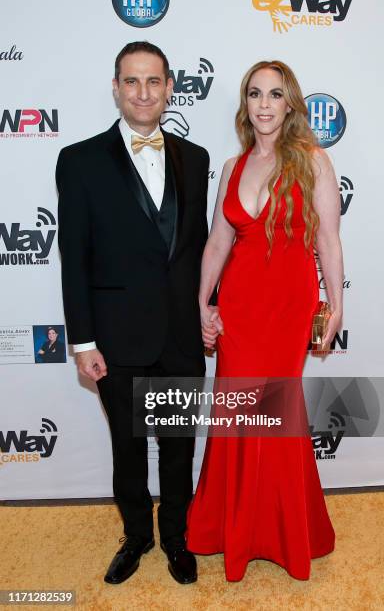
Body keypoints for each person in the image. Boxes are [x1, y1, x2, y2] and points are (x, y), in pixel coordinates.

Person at [56, 41, 210, 585]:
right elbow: (72, 258)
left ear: (171, 87)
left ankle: (175, 537)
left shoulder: (196, 158)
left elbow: (199, 249)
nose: (143, 92)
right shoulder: (78, 160)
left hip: (179, 336)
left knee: (176, 451)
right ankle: (137, 537)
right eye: (131, 82)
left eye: (153, 81)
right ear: (116, 88)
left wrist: (208, 309)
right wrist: (82, 342)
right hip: (115, 339)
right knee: (127, 452)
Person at [186, 60, 343, 581]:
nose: (265, 105)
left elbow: (327, 240)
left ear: (290, 103)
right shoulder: (232, 169)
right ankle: (235, 528)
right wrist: (203, 303)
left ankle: (281, 530)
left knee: (275, 411)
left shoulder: (313, 161)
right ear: (245, 103)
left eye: (276, 95)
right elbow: (216, 243)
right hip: (240, 305)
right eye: (256, 94)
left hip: (287, 306)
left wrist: (335, 304)